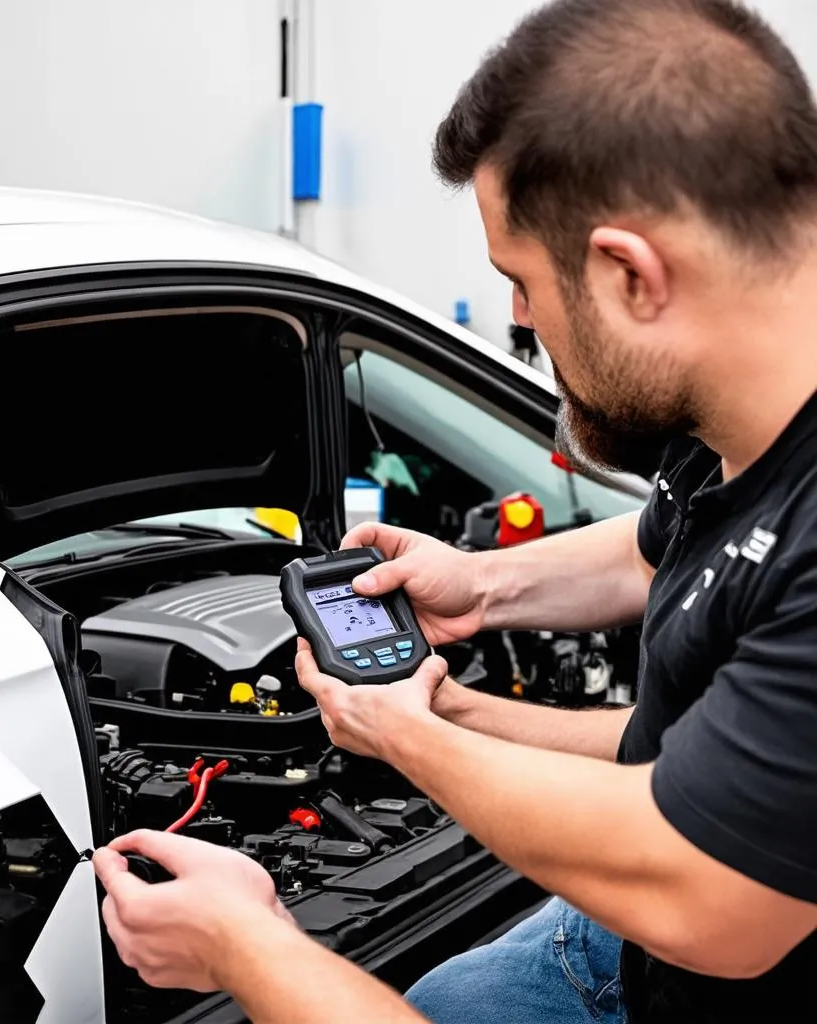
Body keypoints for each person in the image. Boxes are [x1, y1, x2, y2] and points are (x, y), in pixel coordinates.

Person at [92, 0, 817, 1020]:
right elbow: (672, 557)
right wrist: (480, 589)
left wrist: (247, 946)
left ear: (629, 274)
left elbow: (704, 892)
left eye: (517, 281)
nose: (518, 318)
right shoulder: (747, 405)